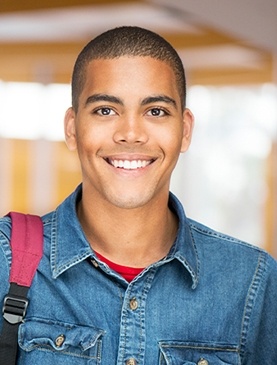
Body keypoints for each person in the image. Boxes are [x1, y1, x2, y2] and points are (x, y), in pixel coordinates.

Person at [0, 26, 277, 365]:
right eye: (105, 110)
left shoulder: (250, 280)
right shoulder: (6, 261)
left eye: (156, 111)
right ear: (72, 128)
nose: (130, 134)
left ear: (185, 130)